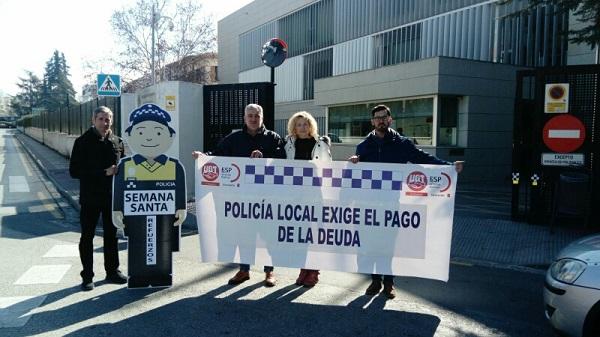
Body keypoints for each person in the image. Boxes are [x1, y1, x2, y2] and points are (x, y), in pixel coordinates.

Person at [349, 104, 463, 300]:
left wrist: (449, 167)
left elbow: (422, 157)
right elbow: (355, 173)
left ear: (390, 119)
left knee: (390, 245)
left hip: (393, 203)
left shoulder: (402, 143)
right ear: (372, 121)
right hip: (370, 205)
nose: (381, 120)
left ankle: (389, 282)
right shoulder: (363, 146)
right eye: (377, 117)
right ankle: (375, 280)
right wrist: (353, 163)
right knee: (371, 244)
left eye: (384, 117)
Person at [192, 103, 285, 287]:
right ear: (244, 117)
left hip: (267, 197)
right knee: (244, 235)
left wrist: (265, 155)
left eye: (256, 116)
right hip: (242, 198)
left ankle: (269, 272)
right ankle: (244, 270)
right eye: (250, 115)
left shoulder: (273, 138)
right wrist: (203, 156)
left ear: (262, 117)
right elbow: (217, 154)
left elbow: (283, 161)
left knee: (268, 236)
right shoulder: (234, 138)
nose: (253, 119)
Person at [112, 103, 187, 288]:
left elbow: (179, 188)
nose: (150, 138)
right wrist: (117, 209)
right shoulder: (126, 166)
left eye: (158, 133)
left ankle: (162, 274)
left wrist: (181, 207)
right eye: (141, 132)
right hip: (135, 219)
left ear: (170, 136)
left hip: (164, 218)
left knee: (163, 242)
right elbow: (119, 188)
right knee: (138, 243)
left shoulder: (174, 166)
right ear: (129, 135)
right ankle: (138, 276)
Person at [69, 106, 128, 291]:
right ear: (93, 120)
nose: (105, 122)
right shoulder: (82, 141)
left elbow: (123, 168)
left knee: (111, 236)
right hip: (90, 198)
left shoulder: (118, 141)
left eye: (108, 118)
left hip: (111, 198)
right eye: (101, 119)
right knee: (87, 237)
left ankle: (112, 271)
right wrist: (104, 172)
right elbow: (74, 172)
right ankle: (87, 276)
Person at [284, 111, 332, 287]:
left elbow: (328, 169)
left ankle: (314, 271)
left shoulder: (320, 143)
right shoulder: (288, 143)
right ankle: (303, 269)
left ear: (311, 126)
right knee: (301, 235)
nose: (302, 127)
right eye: (299, 124)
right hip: (296, 195)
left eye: (305, 124)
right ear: (294, 127)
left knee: (314, 235)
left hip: (316, 194)